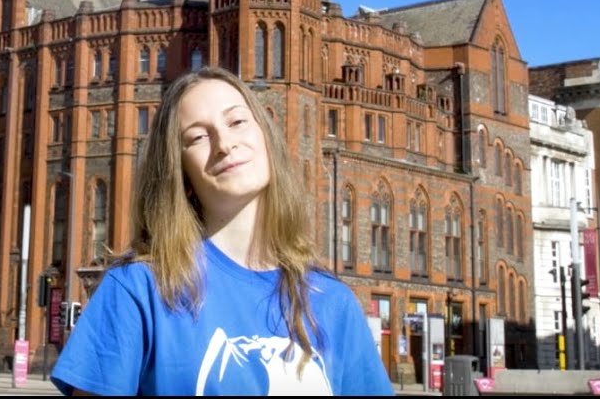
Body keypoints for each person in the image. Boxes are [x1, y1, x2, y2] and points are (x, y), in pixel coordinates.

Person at [51, 66, 393, 396]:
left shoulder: (333, 302)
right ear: (181, 173)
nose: (224, 143)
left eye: (237, 121)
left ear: (266, 137)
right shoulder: (137, 291)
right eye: (198, 137)